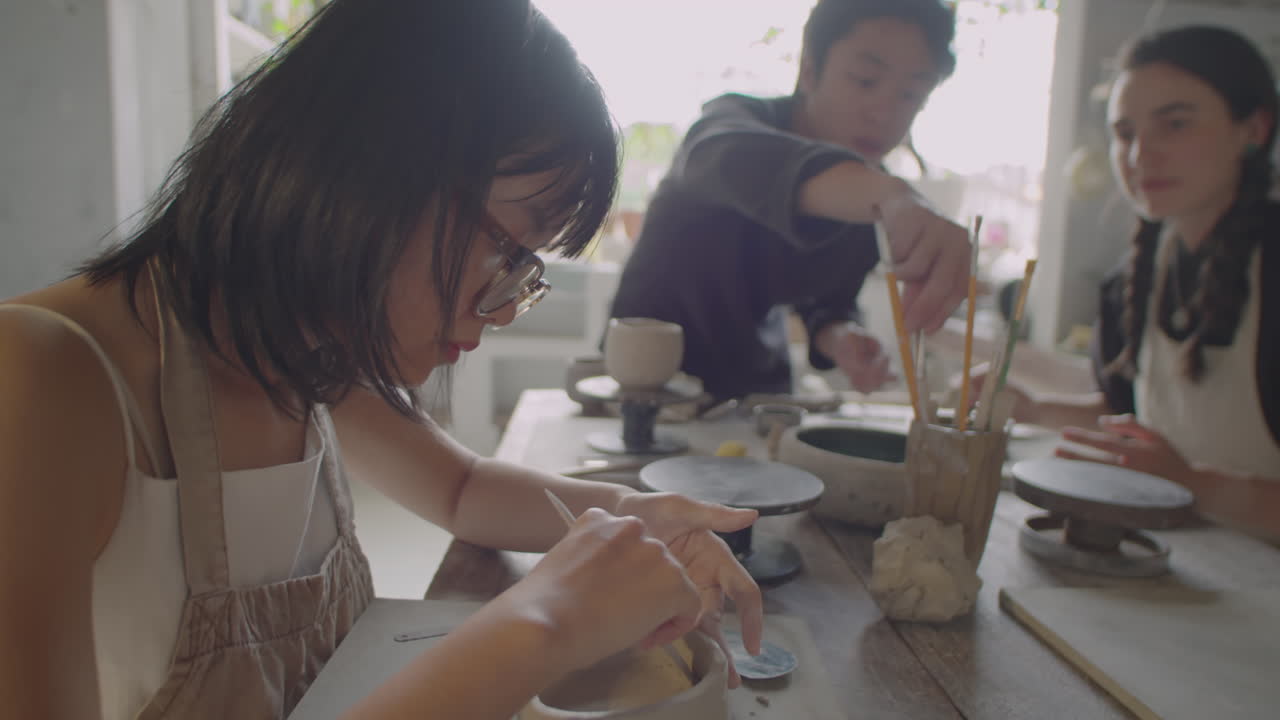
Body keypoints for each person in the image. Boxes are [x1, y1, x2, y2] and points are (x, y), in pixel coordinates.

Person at [0, 3, 763, 718]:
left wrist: (634, 518)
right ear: (373, 170)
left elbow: (461, 489)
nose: (502, 309)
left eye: (528, 277)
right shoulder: (41, 378)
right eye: (509, 255)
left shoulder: (298, 342)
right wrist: (543, 623)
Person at [976, 26, 1280, 542]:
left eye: (1175, 125)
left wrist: (1192, 484)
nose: (1140, 156)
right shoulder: (1132, 281)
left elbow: (1177, 464)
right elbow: (1133, 417)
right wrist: (1025, 406)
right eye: (1124, 133)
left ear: (1252, 128)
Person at [605, 0, 972, 401]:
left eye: (910, 94)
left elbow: (829, 302)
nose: (884, 113)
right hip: (645, 387)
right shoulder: (734, 127)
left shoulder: (868, 194)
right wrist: (893, 197)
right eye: (866, 80)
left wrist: (841, 336)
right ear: (810, 69)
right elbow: (717, 156)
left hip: (759, 399)